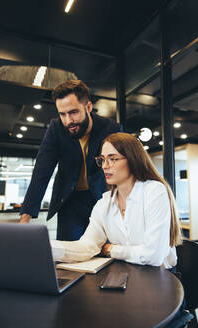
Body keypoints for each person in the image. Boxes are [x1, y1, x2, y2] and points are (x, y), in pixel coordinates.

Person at [51, 132, 182, 268]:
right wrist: (45, 246)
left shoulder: (154, 191)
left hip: (160, 278)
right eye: (102, 159)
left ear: (132, 159)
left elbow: (154, 256)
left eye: (112, 159)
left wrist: (111, 249)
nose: (105, 166)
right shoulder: (104, 203)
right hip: (127, 274)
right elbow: (87, 247)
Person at [19, 80, 121, 240]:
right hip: (69, 202)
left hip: (102, 201)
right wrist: (25, 220)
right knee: (68, 257)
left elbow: (123, 169)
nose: (68, 121)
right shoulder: (56, 129)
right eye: (62, 114)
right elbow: (42, 171)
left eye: (73, 112)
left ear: (88, 107)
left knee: (104, 253)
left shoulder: (111, 129)